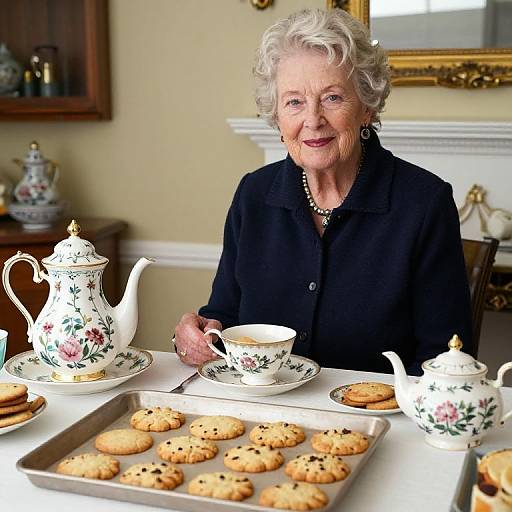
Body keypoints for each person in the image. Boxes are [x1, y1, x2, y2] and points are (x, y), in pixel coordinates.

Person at [174, 8, 472, 376]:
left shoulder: (424, 203)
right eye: (294, 102)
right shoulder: (253, 194)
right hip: (263, 414)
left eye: (332, 97)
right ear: (278, 117)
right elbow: (226, 314)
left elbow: (446, 356)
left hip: (379, 420)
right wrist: (202, 332)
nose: (312, 120)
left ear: (366, 106)